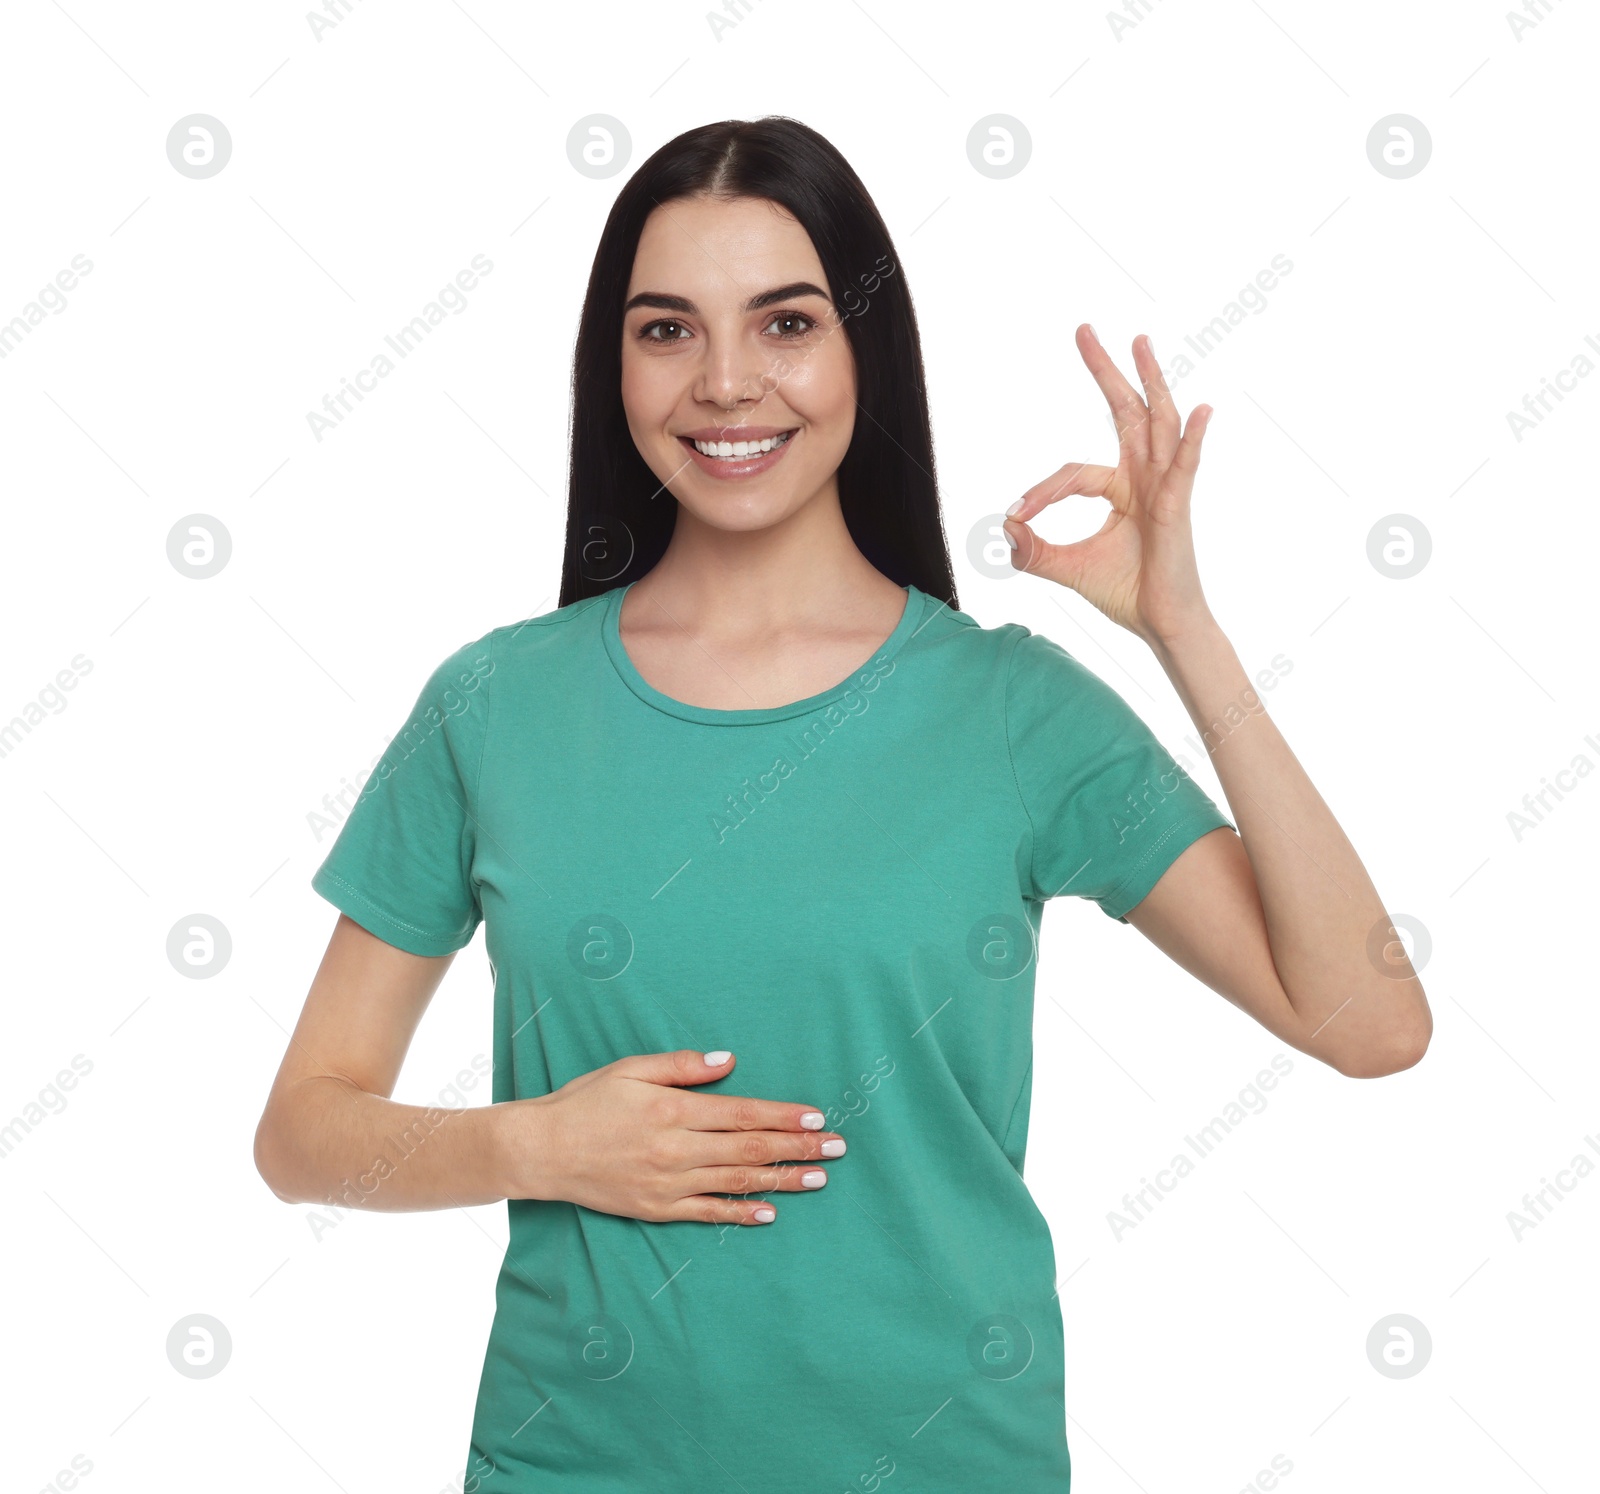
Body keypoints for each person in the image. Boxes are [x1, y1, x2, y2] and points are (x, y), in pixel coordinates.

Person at [254, 115, 1431, 1492]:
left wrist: (1184, 627)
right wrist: (539, 1143)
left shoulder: (1011, 709)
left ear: (865, 349)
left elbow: (1368, 1021)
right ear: (612, 365)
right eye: (667, 330)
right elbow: (303, 1131)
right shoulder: (494, 708)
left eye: (787, 322)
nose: (728, 382)